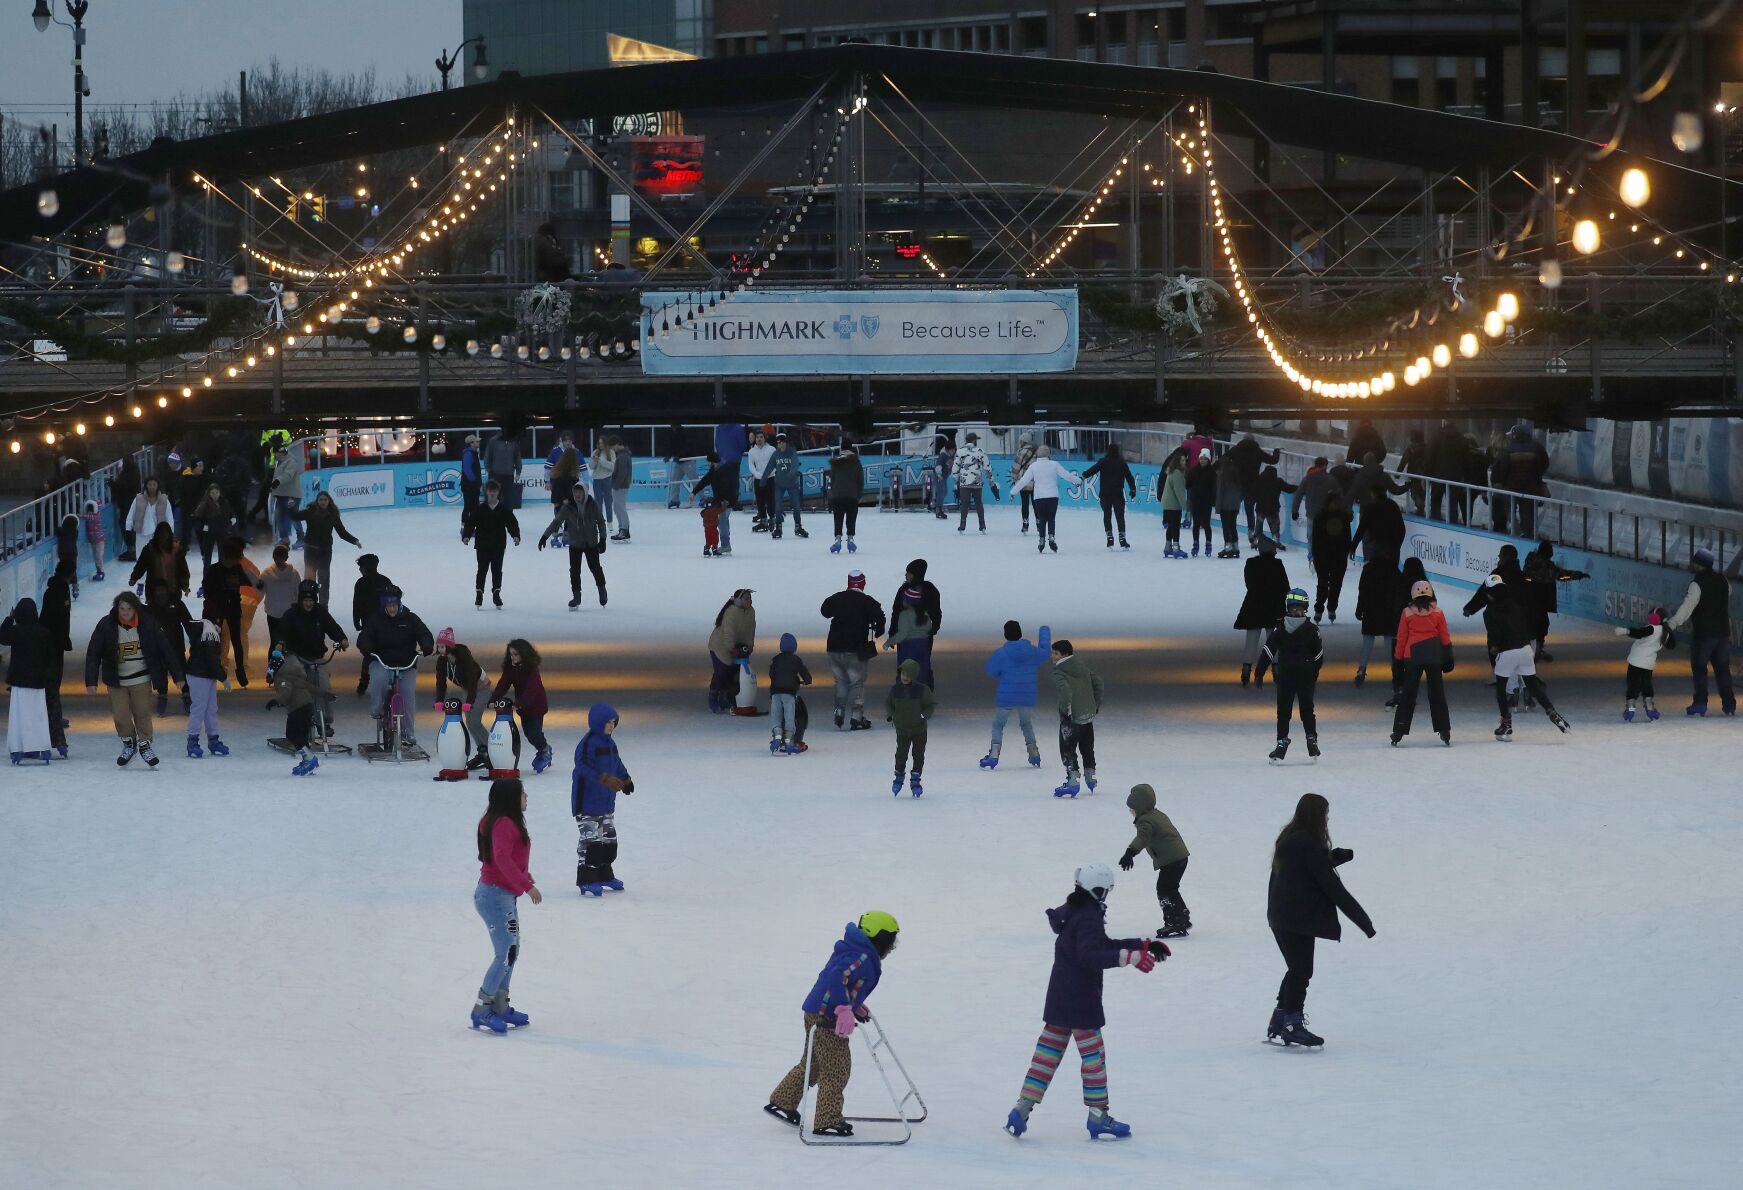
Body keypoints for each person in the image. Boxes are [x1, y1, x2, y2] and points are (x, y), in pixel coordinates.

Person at [1003, 863, 1160, 1140]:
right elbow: (1090, 955)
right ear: (1097, 890)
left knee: (1046, 1057)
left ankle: (1021, 1109)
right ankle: (1098, 1116)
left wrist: (1141, 944)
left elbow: (1099, 944)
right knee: (1093, 1059)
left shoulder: (1074, 911)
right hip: (1081, 1003)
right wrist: (1130, 957)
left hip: (1060, 1000)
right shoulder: (1088, 916)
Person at [764, 912, 901, 1138]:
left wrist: (853, 1004)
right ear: (880, 938)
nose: (892, 947)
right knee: (836, 1070)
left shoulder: (854, 949)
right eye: (891, 941)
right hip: (826, 1018)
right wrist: (843, 1008)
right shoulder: (863, 957)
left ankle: (782, 1101)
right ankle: (827, 1119)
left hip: (816, 1011)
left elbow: (843, 979)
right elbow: (836, 976)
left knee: (813, 1065)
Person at [1266, 793, 1375, 1048]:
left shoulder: (1290, 838)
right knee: (1301, 970)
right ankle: (1291, 1024)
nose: (1327, 819)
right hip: (1296, 919)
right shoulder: (1308, 844)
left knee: (1296, 968)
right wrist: (1364, 922)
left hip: (1280, 915)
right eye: (1325, 813)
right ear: (1316, 815)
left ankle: (1280, 1019)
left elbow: (1305, 868)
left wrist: (1334, 858)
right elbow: (1333, 888)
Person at [470, 778, 541, 1034]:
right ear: (511, 798)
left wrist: (525, 878)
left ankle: (500, 1003)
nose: (526, 797)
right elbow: (501, 859)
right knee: (505, 952)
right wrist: (526, 885)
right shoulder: (502, 824)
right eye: (522, 793)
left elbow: (512, 858)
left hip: (502, 896)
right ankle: (482, 1007)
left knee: (512, 949)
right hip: (494, 897)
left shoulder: (504, 822)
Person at [85, 590, 184, 768]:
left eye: (128, 609)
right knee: (121, 716)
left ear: (135, 609)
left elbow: (165, 649)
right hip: (117, 681)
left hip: (141, 679)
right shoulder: (107, 625)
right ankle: (128, 743)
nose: (125, 612)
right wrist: (91, 681)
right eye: (121, 609)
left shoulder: (147, 623)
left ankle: (145, 744)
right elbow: (93, 652)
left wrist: (178, 675)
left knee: (142, 713)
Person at [1480, 573, 1570, 740]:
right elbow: (1525, 625)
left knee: (1501, 688)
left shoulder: (1489, 611)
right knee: (1533, 685)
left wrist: (1495, 647)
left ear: (1489, 593)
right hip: (1525, 649)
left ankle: (1506, 724)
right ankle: (1553, 712)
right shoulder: (1515, 605)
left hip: (1507, 652)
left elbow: (1495, 635)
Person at [357, 585, 434, 746]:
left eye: (394, 605)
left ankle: (408, 732)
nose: (392, 609)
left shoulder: (411, 618)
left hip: (407, 663)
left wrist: (426, 645)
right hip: (382, 661)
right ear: (384, 606)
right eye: (388, 606)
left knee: (408, 695)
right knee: (379, 680)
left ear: (399, 604)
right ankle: (377, 710)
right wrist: (366, 647)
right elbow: (365, 636)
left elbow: (424, 633)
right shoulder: (375, 620)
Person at [1662, 547, 1733, 717]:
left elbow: (1687, 608)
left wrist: (1671, 624)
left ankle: (1700, 703)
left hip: (1704, 635)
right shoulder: (1724, 580)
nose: (1691, 564)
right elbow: (1728, 594)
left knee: (1700, 668)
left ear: (1699, 564)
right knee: (1723, 669)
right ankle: (1729, 704)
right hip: (1723, 633)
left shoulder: (1696, 584)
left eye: (1694, 562)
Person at [571, 702, 633, 895]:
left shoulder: (610, 743)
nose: (611, 726)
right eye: (607, 722)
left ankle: (605, 874)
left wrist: (626, 779)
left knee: (608, 841)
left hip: (606, 802)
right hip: (587, 802)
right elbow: (582, 766)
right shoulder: (588, 743)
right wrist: (604, 779)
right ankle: (586, 879)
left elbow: (617, 763)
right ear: (597, 723)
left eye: (613, 722)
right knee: (591, 843)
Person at [1118, 785, 1191, 939]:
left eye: (1132, 808)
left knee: (1164, 889)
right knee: (1170, 888)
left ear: (1139, 807)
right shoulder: (1157, 814)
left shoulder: (1145, 821)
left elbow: (1142, 838)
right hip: (1179, 857)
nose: (1130, 811)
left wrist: (1130, 853)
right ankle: (1181, 916)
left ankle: (1174, 921)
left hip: (1172, 860)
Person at [981, 620, 1051, 770]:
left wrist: (1002, 673)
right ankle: (1034, 753)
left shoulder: (1001, 653)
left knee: (998, 725)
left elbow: (990, 670)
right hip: (1026, 696)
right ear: (1020, 633)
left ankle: (993, 755)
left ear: (1006, 635)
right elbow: (1045, 653)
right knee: (1026, 724)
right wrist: (1044, 631)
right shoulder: (1032, 651)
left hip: (1006, 697)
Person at [1391, 579, 1454, 746]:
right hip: (1433, 656)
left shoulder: (1407, 613)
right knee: (1437, 693)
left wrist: (1397, 659)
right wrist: (1448, 655)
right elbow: (1445, 637)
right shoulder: (1438, 612)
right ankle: (1444, 730)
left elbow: (1402, 638)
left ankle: (1399, 730)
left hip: (1412, 657)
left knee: (1408, 695)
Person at [820, 570, 885, 731]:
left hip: (834, 647)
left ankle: (839, 711)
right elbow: (880, 618)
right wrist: (878, 630)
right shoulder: (867, 602)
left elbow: (825, 611)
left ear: (849, 583)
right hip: (855, 649)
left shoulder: (837, 598)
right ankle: (857, 716)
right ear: (863, 583)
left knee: (840, 681)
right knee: (857, 682)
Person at [1264, 589, 1324, 763]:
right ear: (1305, 608)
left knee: (1283, 711)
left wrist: (1259, 671)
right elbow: (1319, 654)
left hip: (1286, 675)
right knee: (1307, 710)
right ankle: (1311, 739)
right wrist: (1314, 672)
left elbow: (1269, 650)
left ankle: (1282, 742)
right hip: (1306, 675)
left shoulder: (1280, 628)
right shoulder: (1312, 629)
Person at [539, 480, 609, 609]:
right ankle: (576, 596)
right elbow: (556, 522)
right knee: (575, 571)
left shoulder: (592, 504)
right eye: (575, 491)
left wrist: (603, 539)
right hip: (575, 543)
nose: (578, 494)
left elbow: (601, 522)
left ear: (584, 492)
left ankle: (602, 589)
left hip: (591, 542)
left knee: (595, 568)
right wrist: (545, 536)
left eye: (580, 491)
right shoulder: (568, 507)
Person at [2, 597, 55, 763]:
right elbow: (50, 658)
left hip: (19, 681)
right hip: (38, 682)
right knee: (38, 715)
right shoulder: (44, 632)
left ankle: (19, 747)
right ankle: (40, 745)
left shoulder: (16, 631)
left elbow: (2, 637)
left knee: (19, 716)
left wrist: (9, 618)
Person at [290, 489, 362, 607]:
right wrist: (291, 508)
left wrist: (354, 540)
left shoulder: (333, 515)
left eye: (325, 500)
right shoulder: (310, 512)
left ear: (329, 501)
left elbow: (342, 533)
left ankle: (323, 607)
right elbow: (295, 516)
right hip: (311, 551)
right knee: (309, 581)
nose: (323, 502)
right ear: (317, 501)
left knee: (324, 581)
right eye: (321, 500)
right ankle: (308, 604)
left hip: (325, 552)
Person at [1051, 638, 1103, 797]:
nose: (1052, 656)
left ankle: (1072, 781)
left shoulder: (1059, 671)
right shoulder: (1081, 666)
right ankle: (1090, 777)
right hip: (1087, 715)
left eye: (1055, 653)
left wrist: (1065, 711)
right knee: (1087, 747)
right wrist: (1094, 706)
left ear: (1064, 654)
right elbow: (1098, 683)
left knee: (1067, 748)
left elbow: (1065, 692)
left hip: (1072, 717)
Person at [1522, 540, 1590, 662]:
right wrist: (1579, 575)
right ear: (1548, 552)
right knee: (1541, 625)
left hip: (1526, 599)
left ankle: (1532, 647)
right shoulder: (1548, 568)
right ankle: (1535, 648)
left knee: (1532, 623)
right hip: (1539, 601)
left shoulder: (1530, 560)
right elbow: (1563, 575)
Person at [433, 627, 489, 770]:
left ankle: (494, 750)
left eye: (442, 646)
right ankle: (483, 753)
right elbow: (441, 682)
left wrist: (470, 701)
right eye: (438, 646)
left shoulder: (464, 657)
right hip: (467, 689)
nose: (439, 649)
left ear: (449, 646)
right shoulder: (442, 661)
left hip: (481, 688)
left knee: (475, 721)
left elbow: (471, 679)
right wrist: (439, 700)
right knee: (470, 723)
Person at [493, 639, 552, 774]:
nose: (513, 657)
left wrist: (518, 704)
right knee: (529, 733)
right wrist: (494, 699)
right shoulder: (511, 668)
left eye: (516, 654)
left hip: (536, 706)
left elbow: (532, 689)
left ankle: (545, 750)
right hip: (523, 708)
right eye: (511, 654)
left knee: (533, 733)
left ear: (524, 654)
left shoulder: (531, 669)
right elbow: (503, 684)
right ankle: (542, 746)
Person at [1235, 536, 1288, 687]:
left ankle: (1246, 670)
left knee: (1251, 640)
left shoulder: (1251, 563)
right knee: (1274, 640)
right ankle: (1277, 670)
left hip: (1253, 606)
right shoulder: (1277, 565)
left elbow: (1249, 583)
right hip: (1274, 607)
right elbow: (1285, 586)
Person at [267, 644, 325, 775]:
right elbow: (311, 687)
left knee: (292, 734)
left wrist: (275, 701)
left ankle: (311, 759)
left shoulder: (282, 678)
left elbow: (285, 692)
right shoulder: (296, 675)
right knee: (302, 735)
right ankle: (307, 759)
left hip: (297, 709)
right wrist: (326, 694)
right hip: (307, 707)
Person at [463, 479, 522, 609]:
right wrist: (466, 535)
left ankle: (496, 593)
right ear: (486, 492)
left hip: (498, 545)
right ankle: (479, 593)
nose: (492, 493)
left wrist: (516, 536)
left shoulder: (503, 509)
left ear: (498, 492)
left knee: (497, 571)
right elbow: (470, 523)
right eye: (490, 490)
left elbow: (512, 523)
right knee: (482, 570)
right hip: (482, 545)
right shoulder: (480, 509)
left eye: (494, 490)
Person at [1012, 446, 1081, 554]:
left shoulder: (1033, 466)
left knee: (1042, 518)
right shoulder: (1054, 464)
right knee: (1051, 518)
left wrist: (1013, 492)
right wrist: (1078, 481)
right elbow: (1067, 476)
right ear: (1048, 454)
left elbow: (1023, 481)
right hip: (1053, 496)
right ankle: (1051, 537)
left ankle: (1041, 540)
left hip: (1039, 497)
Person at [202, 538, 251, 687]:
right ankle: (215, 668)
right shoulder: (214, 570)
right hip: (218, 608)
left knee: (236, 640)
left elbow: (246, 581)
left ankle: (240, 670)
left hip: (234, 607)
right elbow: (207, 589)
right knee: (216, 639)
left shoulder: (236, 568)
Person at [182, 603, 230, 758]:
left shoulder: (206, 628)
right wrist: (223, 677)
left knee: (211, 708)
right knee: (199, 708)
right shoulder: (210, 633)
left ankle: (213, 739)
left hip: (205, 675)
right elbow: (211, 659)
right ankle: (193, 741)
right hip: (200, 675)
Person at [37, 560, 74, 758]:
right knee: (52, 685)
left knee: (53, 685)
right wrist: (60, 639)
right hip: (52, 645)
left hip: (55, 643)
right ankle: (53, 723)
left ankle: (53, 719)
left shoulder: (58, 589)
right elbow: (53, 618)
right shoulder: (57, 592)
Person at [885, 658, 935, 797]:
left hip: (919, 729)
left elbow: (930, 704)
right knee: (901, 754)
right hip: (902, 729)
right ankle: (899, 775)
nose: (904, 677)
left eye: (908, 675)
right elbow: (888, 703)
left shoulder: (922, 690)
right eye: (902, 674)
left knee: (918, 755)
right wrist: (891, 715)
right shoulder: (896, 689)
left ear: (913, 675)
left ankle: (916, 778)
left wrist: (924, 715)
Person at [1615, 607, 1673, 722]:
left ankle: (1630, 706)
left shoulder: (1652, 628)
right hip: (1648, 664)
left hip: (1636, 662)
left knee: (1633, 684)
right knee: (1646, 684)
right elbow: (1672, 645)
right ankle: (1649, 706)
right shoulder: (1665, 632)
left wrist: (1626, 631)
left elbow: (1639, 633)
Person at [351, 554, 394, 696]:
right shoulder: (385, 580)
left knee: (369, 653)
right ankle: (390, 679)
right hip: (386, 623)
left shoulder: (360, 583)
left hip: (368, 624)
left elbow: (356, 603)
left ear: (363, 568)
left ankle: (364, 681)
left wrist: (356, 620)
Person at [1226, 434, 1282, 542]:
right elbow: (1273, 460)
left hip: (1238, 483)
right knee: (1250, 509)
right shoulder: (1257, 451)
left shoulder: (1236, 449)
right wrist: (1276, 452)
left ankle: (1229, 530)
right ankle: (1251, 531)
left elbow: (1224, 458)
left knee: (1233, 509)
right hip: (1253, 484)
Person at [707, 589, 756, 713]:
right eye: (747, 598)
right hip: (720, 647)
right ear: (739, 601)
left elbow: (751, 629)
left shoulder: (751, 611)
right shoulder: (731, 612)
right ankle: (713, 696)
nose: (750, 601)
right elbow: (728, 632)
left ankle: (726, 697)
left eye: (750, 598)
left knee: (733, 673)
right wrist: (731, 648)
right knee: (722, 671)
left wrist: (750, 646)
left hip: (736, 646)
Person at [1082, 442, 1137, 549]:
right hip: (1118, 494)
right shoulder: (1122, 463)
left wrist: (1083, 476)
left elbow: (1093, 470)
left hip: (1105, 494)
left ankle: (1110, 538)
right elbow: (1129, 477)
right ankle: (1122, 539)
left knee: (1107, 515)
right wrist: (1133, 489)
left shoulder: (1103, 462)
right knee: (1120, 516)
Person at [767, 632, 813, 755]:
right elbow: (804, 672)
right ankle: (789, 741)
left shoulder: (776, 659)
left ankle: (777, 737)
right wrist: (807, 680)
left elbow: (771, 673)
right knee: (789, 716)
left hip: (775, 692)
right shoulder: (796, 660)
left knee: (776, 714)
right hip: (789, 692)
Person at [1309, 492, 1353, 622]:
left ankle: (1332, 607)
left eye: (1336, 503)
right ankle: (1319, 608)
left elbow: (1347, 536)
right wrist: (1315, 555)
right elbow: (1315, 538)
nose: (1334, 505)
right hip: (1322, 556)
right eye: (1332, 502)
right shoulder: (1320, 517)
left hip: (1339, 556)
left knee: (1336, 584)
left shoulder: (1343, 518)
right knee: (1322, 583)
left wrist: (1346, 551)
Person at [256, 543, 302, 650]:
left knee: (276, 643)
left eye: (279, 558)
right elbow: (299, 593)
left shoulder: (267, 573)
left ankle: (274, 665)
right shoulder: (293, 573)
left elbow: (260, 592)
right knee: (282, 642)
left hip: (279, 613)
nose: (278, 561)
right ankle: (285, 665)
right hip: (280, 613)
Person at [691, 452, 737, 556]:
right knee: (723, 521)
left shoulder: (725, 470)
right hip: (722, 500)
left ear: (713, 462)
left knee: (722, 522)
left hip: (726, 500)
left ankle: (725, 545)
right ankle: (726, 544)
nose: (708, 465)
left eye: (708, 463)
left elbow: (727, 487)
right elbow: (704, 481)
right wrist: (694, 492)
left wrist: (724, 500)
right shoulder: (713, 470)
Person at [1427, 421, 1472, 524]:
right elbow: (1467, 461)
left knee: (1435, 502)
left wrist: (1426, 475)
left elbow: (1429, 458)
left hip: (1437, 477)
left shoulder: (1436, 439)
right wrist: (1467, 478)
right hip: (1454, 478)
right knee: (1452, 504)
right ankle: (1452, 525)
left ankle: (1434, 524)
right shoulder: (1462, 440)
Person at [765, 432, 807, 540]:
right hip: (779, 484)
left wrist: (792, 473)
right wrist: (763, 478)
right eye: (778, 443)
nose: (781, 445)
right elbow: (770, 466)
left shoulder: (792, 452)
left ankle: (798, 527)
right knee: (778, 507)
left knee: (796, 507)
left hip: (792, 484)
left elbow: (795, 463)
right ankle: (778, 528)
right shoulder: (775, 454)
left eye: (782, 442)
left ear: (786, 443)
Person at [954, 431, 998, 535]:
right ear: (974, 441)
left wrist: (956, 479)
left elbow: (955, 467)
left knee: (964, 503)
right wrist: (990, 479)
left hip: (964, 481)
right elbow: (987, 467)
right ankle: (982, 525)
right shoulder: (980, 451)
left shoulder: (960, 451)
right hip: (976, 480)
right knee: (978, 502)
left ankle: (962, 525)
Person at [827, 439, 865, 553]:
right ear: (851, 448)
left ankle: (837, 541)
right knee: (851, 519)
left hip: (837, 496)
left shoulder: (836, 462)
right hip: (852, 496)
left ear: (841, 448)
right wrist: (859, 495)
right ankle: (850, 540)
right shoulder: (856, 462)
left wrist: (832, 494)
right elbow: (860, 481)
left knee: (838, 518)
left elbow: (832, 480)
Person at [269, 437, 307, 547]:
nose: (275, 456)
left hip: (292, 495)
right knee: (278, 517)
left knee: (293, 517)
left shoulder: (291, 461)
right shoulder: (279, 463)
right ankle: (284, 538)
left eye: (275, 454)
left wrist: (277, 481)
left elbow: (288, 475)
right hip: (280, 495)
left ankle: (301, 538)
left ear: (280, 453)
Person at [1251, 465, 1296, 547]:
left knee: (1258, 525)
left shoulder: (1259, 480)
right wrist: (1300, 488)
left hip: (1260, 507)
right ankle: (1275, 540)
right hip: (1273, 508)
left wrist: (1257, 499)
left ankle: (1256, 540)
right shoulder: (1278, 481)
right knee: (1275, 526)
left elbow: (1253, 491)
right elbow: (1288, 488)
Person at [127, 477, 174, 556]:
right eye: (150, 484)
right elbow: (131, 512)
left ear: (157, 486)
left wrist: (170, 531)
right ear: (146, 486)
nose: (152, 486)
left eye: (154, 484)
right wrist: (128, 526)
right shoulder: (138, 498)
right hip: (142, 531)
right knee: (141, 555)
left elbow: (169, 516)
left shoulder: (164, 499)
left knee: (158, 555)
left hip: (158, 532)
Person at [1185, 447, 1217, 557]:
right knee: (1196, 524)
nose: (1202, 460)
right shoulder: (1194, 471)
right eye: (1201, 458)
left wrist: (1213, 501)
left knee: (1206, 524)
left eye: (1205, 459)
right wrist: (1187, 477)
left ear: (1208, 460)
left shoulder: (1212, 472)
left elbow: (1214, 488)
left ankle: (1208, 544)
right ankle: (1195, 544)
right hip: (1195, 501)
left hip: (1206, 502)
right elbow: (1188, 484)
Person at [1290, 456, 1338, 528]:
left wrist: (1294, 511)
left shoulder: (1307, 478)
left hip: (1311, 514)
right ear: (1325, 466)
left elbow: (1298, 495)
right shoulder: (1331, 479)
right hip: (1325, 514)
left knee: (1311, 537)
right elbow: (1338, 496)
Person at [482, 428, 523, 511]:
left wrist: (518, 472)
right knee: (493, 498)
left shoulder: (514, 441)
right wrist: (490, 471)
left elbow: (517, 458)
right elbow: (487, 457)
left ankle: (508, 518)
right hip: (495, 475)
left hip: (509, 475)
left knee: (509, 500)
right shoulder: (493, 441)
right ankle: (493, 518)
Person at [1213, 453, 1244, 558]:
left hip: (1225, 505)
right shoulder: (1236, 473)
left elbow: (1220, 492)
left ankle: (1228, 546)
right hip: (1235, 505)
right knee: (1233, 525)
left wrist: (1218, 507)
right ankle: (1235, 546)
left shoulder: (1223, 475)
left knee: (1226, 526)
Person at [111, 454, 141, 561]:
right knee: (126, 524)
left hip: (128, 503)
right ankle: (132, 549)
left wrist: (114, 485)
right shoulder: (132, 472)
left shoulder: (129, 474)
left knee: (126, 525)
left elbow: (125, 487)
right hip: (127, 502)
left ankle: (132, 550)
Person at [1158, 454, 1188, 558]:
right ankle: (1176, 547)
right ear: (1178, 462)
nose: (1185, 462)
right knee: (1175, 526)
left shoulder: (1172, 471)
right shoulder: (1177, 473)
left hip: (1168, 503)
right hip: (1173, 504)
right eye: (1182, 460)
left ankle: (1168, 547)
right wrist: (1184, 505)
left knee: (1171, 525)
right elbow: (1179, 491)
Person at [544, 430, 583, 509]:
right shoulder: (555, 452)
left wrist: (585, 482)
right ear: (562, 441)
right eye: (566, 441)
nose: (568, 443)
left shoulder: (577, 452)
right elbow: (547, 468)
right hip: (556, 484)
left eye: (569, 441)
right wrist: (547, 481)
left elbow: (583, 468)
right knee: (558, 507)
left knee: (572, 508)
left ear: (572, 441)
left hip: (572, 484)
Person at [746, 429, 776, 530]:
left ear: (765, 438)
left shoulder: (772, 449)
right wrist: (757, 474)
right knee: (760, 500)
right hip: (758, 478)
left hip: (770, 477)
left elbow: (775, 463)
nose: (759, 439)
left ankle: (772, 518)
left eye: (761, 437)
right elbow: (751, 465)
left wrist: (768, 474)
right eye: (757, 437)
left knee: (771, 499)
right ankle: (763, 520)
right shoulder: (752, 451)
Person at [1009, 435, 1039, 533]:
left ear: (1024, 441)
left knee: (1025, 504)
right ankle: (1039, 524)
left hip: (1024, 481)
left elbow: (1016, 466)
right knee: (1036, 504)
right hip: (1036, 482)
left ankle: (1025, 524)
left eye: (1020, 441)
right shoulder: (1038, 452)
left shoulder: (1021, 452)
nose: (1019, 442)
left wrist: (1014, 478)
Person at [1398, 428, 1430, 515]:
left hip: (1414, 474)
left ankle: (1420, 506)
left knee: (1414, 493)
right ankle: (1420, 510)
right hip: (1424, 475)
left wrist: (1398, 472)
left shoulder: (1411, 448)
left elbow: (1404, 460)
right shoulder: (1426, 448)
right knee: (1422, 493)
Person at [588, 437, 617, 529]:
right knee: (598, 502)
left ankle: (609, 522)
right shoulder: (595, 452)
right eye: (599, 443)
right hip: (597, 480)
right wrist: (594, 461)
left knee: (608, 501)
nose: (601, 445)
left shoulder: (611, 452)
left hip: (607, 479)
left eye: (602, 443)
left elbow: (612, 467)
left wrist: (600, 460)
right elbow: (591, 466)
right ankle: (599, 522)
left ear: (606, 443)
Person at [609, 436, 634, 542]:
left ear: (618, 444)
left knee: (620, 508)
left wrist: (616, 485)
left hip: (620, 486)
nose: (613, 449)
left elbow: (622, 473)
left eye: (613, 446)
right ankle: (622, 529)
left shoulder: (623, 456)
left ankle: (625, 529)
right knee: (617, 507)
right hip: (619, 485)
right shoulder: (622, 455)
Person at [459, 433, 483, 532]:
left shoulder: (472, 453)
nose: (479, 443)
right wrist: (474, 481)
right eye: (476, 441)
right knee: (469, 506)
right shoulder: (469, 454)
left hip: (471, 485)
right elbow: (467, 469)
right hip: (469, 485)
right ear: (471, 443)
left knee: (474, 507)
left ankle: (472, 527)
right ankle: (464, 528)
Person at [81, 499, 107, 583]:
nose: (90, 511)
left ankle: (101, 572)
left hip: (99, 540)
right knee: (96, 557)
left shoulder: (96, 516)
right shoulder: (90, 515)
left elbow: (90, 517)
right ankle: (98, 571)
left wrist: (79, 515)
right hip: (93, 540)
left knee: (99, 556)